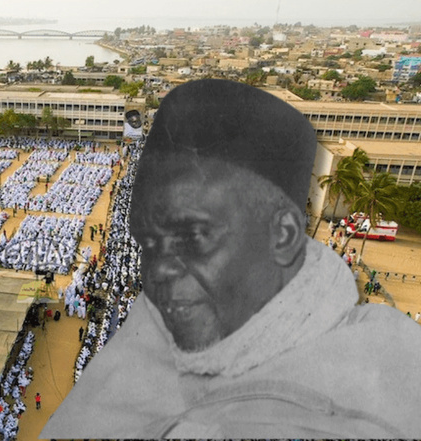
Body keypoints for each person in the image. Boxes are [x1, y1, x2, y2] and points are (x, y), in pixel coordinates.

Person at [41, 79, 421, 439]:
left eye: (194, 236)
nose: (157, 273)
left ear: (283, 235)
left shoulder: (370, 392)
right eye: (151, 243)